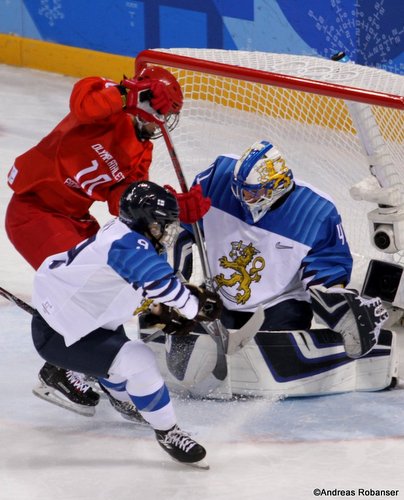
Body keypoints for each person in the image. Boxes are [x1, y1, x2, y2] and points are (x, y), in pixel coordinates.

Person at [5, 65, 211, 419]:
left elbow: (123, 201)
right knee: (73, 287)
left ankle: (101, 365)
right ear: (144, 102)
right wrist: (126, 94)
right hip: (35, 212)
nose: (161, 125)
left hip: (75, 219)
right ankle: (57, 367)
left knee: (106, 285)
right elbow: (84, 104)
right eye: (160, 114)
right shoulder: (105, 101)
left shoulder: (141, 149)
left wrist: (172, 205)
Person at [165, 140, 389, 395]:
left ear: (278, 186)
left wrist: (332, 301)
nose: (243, 198)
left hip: (281, 303)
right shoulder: (218, 179)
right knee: (182, 331)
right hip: (220, 296)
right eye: (239, 189)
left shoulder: (314, 211)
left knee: (277, 349)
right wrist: (175, 284)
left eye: (252, 192)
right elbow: (183, 230)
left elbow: (328, 264)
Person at [30, 181, 221, 468]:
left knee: (120, 369)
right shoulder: (125, 243)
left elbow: (148, 283)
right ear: (145, 222)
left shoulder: (123, 233)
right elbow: (159, 283)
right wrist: (195, 308)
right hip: (61, 335)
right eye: (161, 225)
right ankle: (168, 433)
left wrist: (167, 306)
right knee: (139, 360)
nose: (166, 232)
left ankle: (119, 397)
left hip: (83, 319)